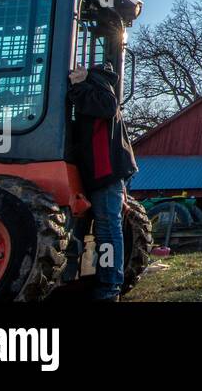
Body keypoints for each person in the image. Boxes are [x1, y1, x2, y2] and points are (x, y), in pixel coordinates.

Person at [68, 60, 138, 301]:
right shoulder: (96, 84)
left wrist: (79, 85)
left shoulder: (97, 82)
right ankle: (102, 282)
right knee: (105, 229)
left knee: (109, 229)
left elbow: (107, 106)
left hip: (105, 172)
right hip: (100, 171)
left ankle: (109, 287)